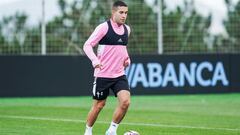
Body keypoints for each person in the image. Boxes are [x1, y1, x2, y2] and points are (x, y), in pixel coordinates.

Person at [83, 1, 131, 135]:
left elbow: (123, 48)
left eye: (126, 13)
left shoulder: (127, 29)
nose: (124, 16)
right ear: (113, 12)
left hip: (119, 74)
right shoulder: (103, 27)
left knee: (125, 102)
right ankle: (88, 131)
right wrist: (95, 60)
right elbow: (87, 45)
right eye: (121, 12)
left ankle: (112, 130)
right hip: (103, 74)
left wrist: (127, 58)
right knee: (99, 105)